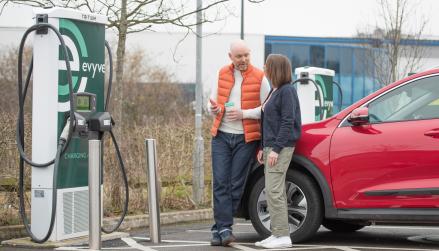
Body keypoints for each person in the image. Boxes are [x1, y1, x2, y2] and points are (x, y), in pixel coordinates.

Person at [207, 40, 270, 246]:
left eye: (246, 55)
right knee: (220, 183)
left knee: (235, 184)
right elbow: (212, 101)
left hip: (246, 138)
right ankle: (224, 228)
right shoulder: (222, 73)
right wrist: (214, 109)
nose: (243, 60)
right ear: (230, 57)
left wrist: (244, 113)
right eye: (239, 56)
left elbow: (267, 109)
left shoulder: (260, 78)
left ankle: (219, 228)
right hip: (221, 136)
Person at [254, 54, 301, 249]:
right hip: (270, 147)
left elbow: (287, 122)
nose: (264, 67)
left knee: (274, 191)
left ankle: (283, 236)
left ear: (275, 68)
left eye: (267, 65)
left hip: (280, 148)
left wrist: (275, 149)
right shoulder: (274, 91)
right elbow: (268, 122)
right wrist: (262, 147)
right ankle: (276, 233)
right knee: (273, 190)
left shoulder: (287, 91)